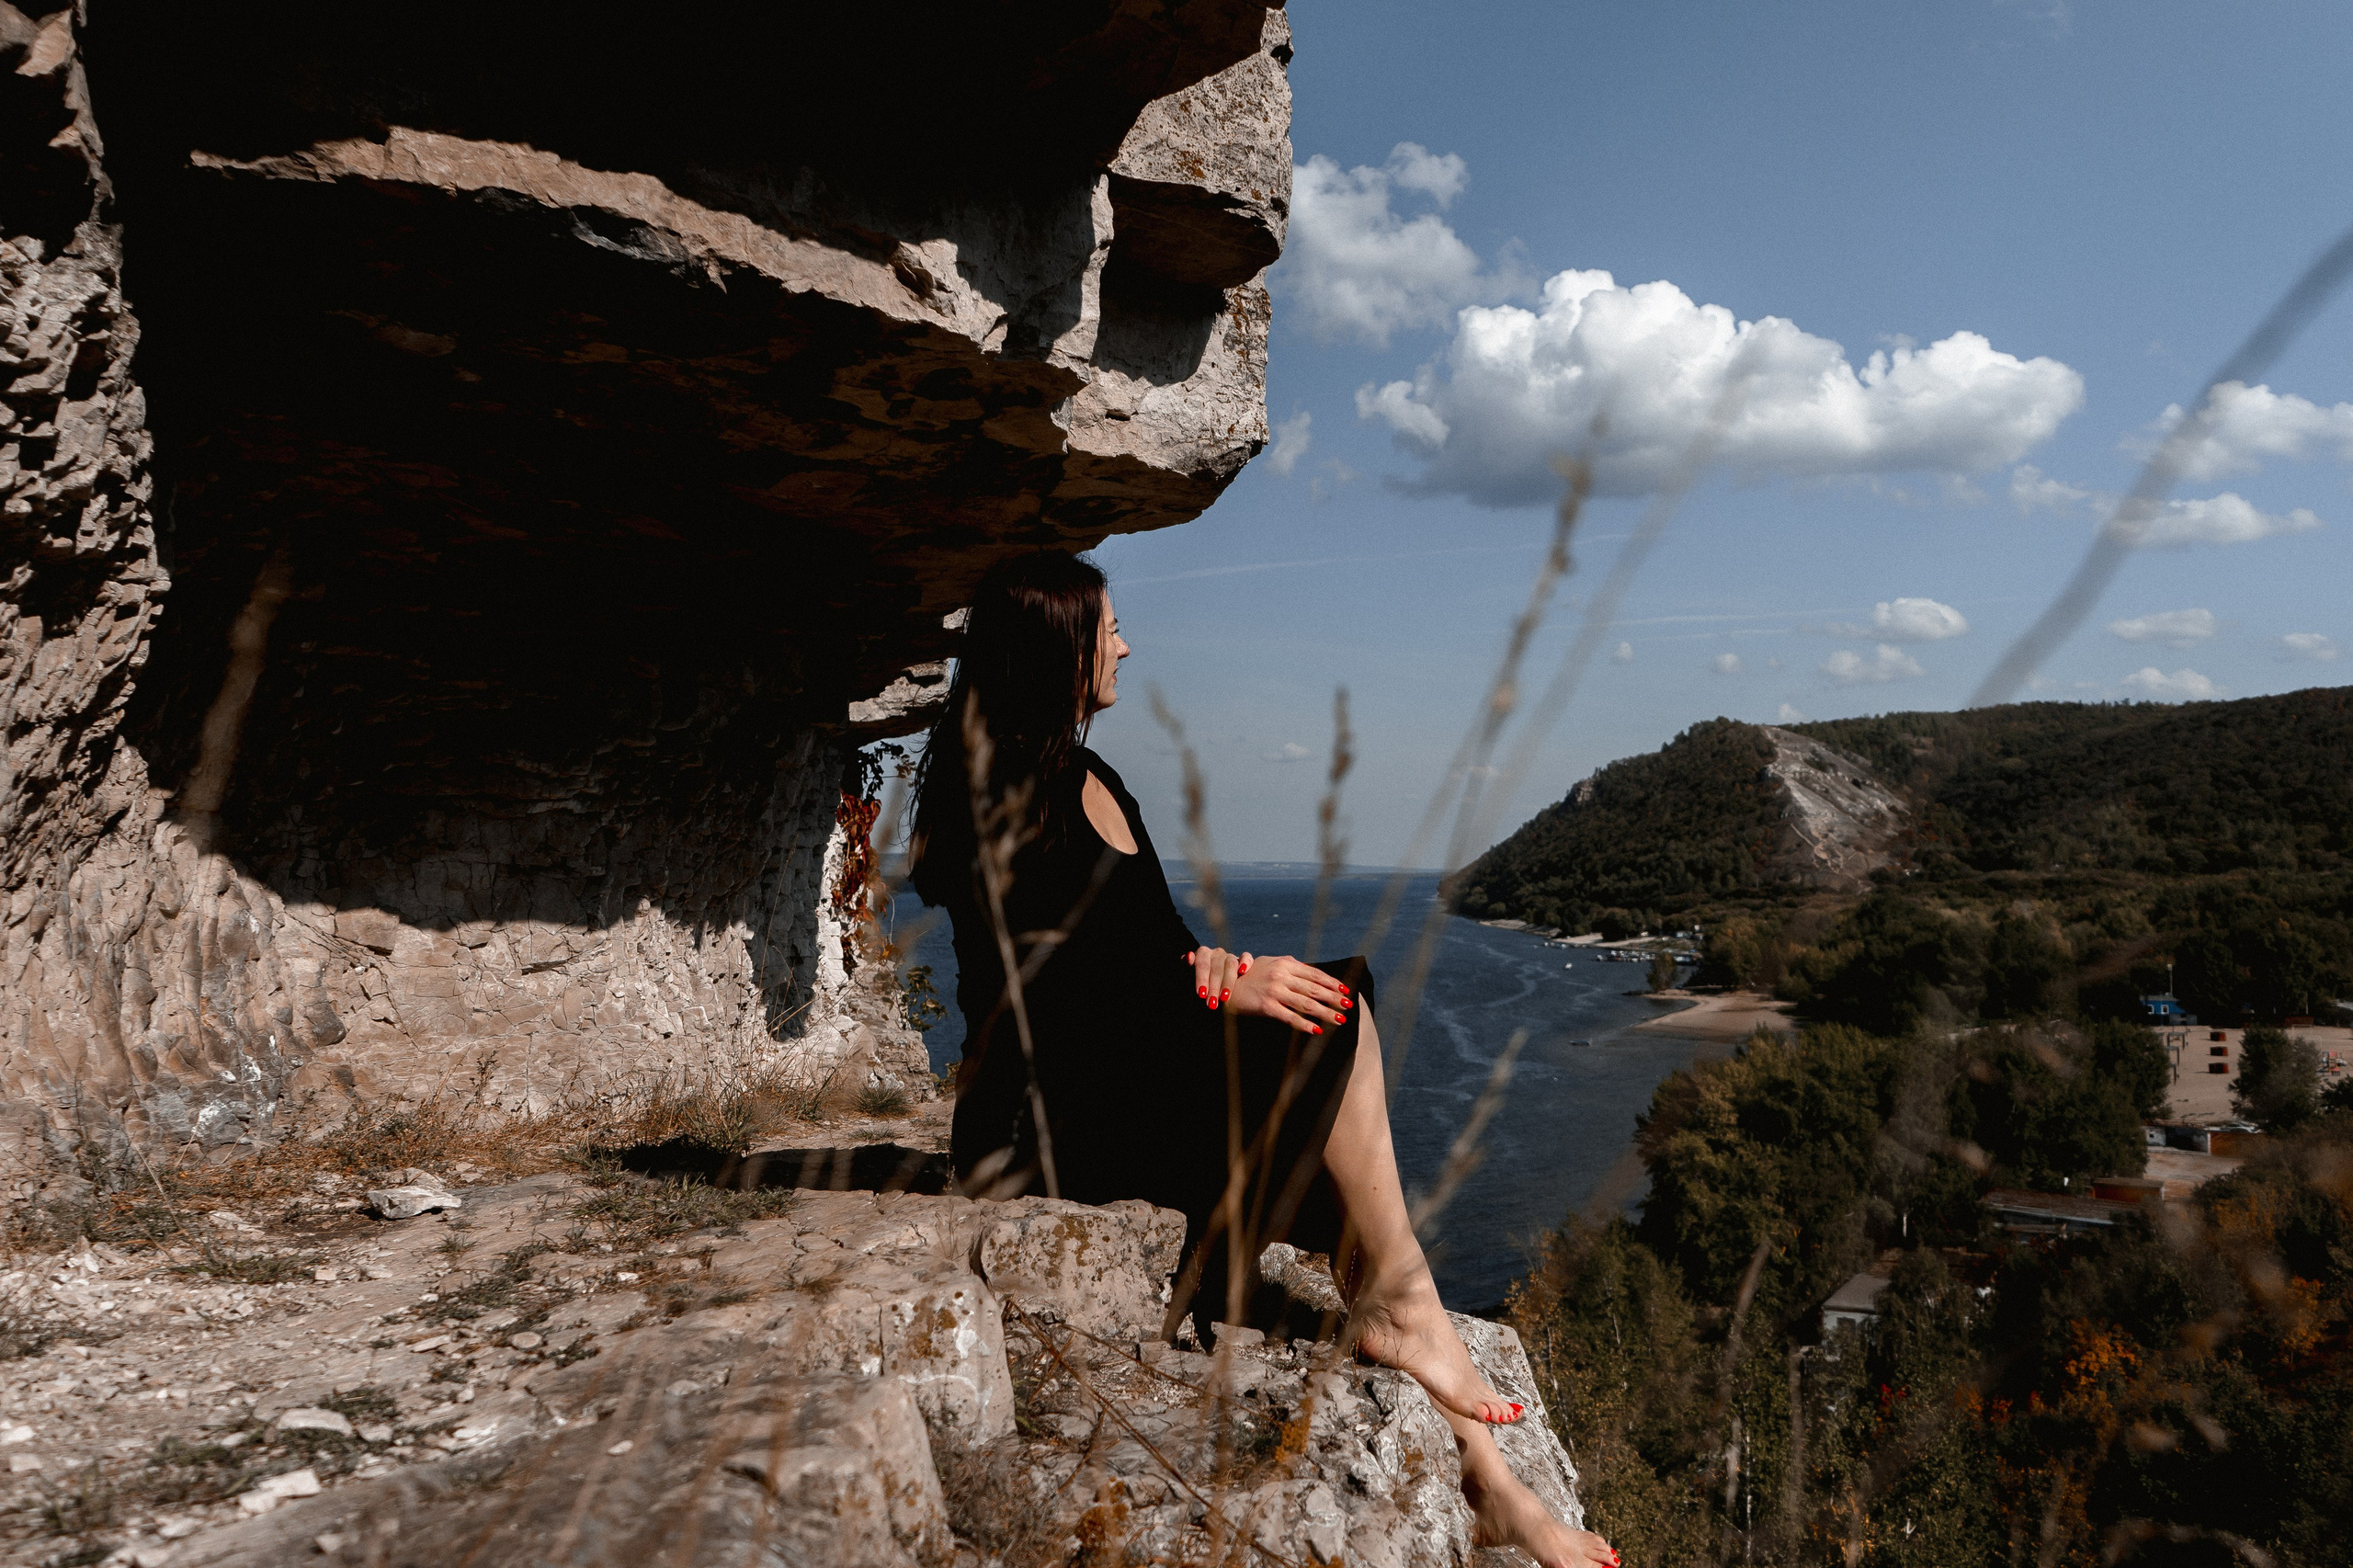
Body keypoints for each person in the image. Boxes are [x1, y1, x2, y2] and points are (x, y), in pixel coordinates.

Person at [910, 551, 1616, 1568]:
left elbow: (1137, 950)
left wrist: (1209, 967)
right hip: (1045, 1129)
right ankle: (1426, 1345)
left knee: (1337, 1099)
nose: (1125, 646)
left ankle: (1486, 1474)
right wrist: (1209, 987)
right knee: (1331, 1023)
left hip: (1112, 1088)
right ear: (1057, 649)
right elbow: (1049, 1008)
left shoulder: (1090, 780)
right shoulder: (1002, 800)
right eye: (1107, 629)